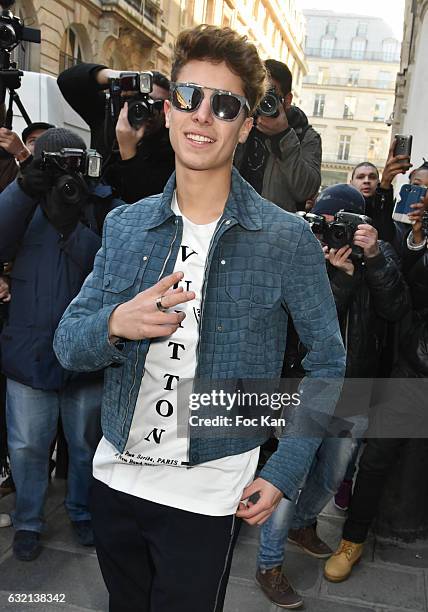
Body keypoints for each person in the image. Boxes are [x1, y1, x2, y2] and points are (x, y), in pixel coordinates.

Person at [53, 25, 345, 612]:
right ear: (167, 111)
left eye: (225, 104)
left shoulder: (284, 238)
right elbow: (66, 344)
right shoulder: (127, 225)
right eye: (189, 97)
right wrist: (116, 324)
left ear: (243, 124)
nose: (202, 116)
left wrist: (285, 468)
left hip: (209, 488)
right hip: (116, 479)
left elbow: (328, 360)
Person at [255, 184, 410, 608]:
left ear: (360, 224)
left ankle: (303, 525)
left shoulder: (380, 254)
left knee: (332, 474)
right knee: (291, 476)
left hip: (357, 389)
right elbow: (296, 333)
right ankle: (269, 563)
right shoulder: (302, 253)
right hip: (307, 388)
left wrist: (373, 259)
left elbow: (396, 308)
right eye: (324, 223)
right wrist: (337, 283)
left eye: (339, 224)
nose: (331, 232)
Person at [0, 128, 122, 562]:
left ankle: (82, 510)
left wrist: (86, 206)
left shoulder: (99, 201)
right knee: (28, 445)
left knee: (87, 442)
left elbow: (119, 260)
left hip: (87, 351)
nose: (64, 171)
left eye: (72, 162)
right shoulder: (23, 196)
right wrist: (23, 188)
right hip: (30, 349)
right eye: (56, 162)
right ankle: (29, 519)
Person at [324, 189, 428, 583]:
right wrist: (418, 236)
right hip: (415, 363)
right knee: (377, 456)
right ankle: (352, 539)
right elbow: (405, 294)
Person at [57, 64, 175, 203]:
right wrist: (116, 77)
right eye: (142, 101)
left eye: (157, 105)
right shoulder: (107, 117)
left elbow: (145, 201)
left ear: (168, 110)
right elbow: (66, 82)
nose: (149, 111)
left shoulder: (170, 147)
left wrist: (128, 150)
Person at [235, 58, 322, 212]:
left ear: (287, 100)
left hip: (273, 230)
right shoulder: (240, 122)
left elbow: (306, 190)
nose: (263, 101)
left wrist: (283, 136)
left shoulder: (306, 137)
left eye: (270, 94)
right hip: (234, 219)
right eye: (259, 93)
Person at [350, 139, 412, 243]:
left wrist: (385, 184)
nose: (366, 181)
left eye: (372, 177)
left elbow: (385, 235)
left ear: (378, 182)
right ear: (351, 182)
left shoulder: (387, 206)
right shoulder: (343, 206)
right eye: (360, 177)